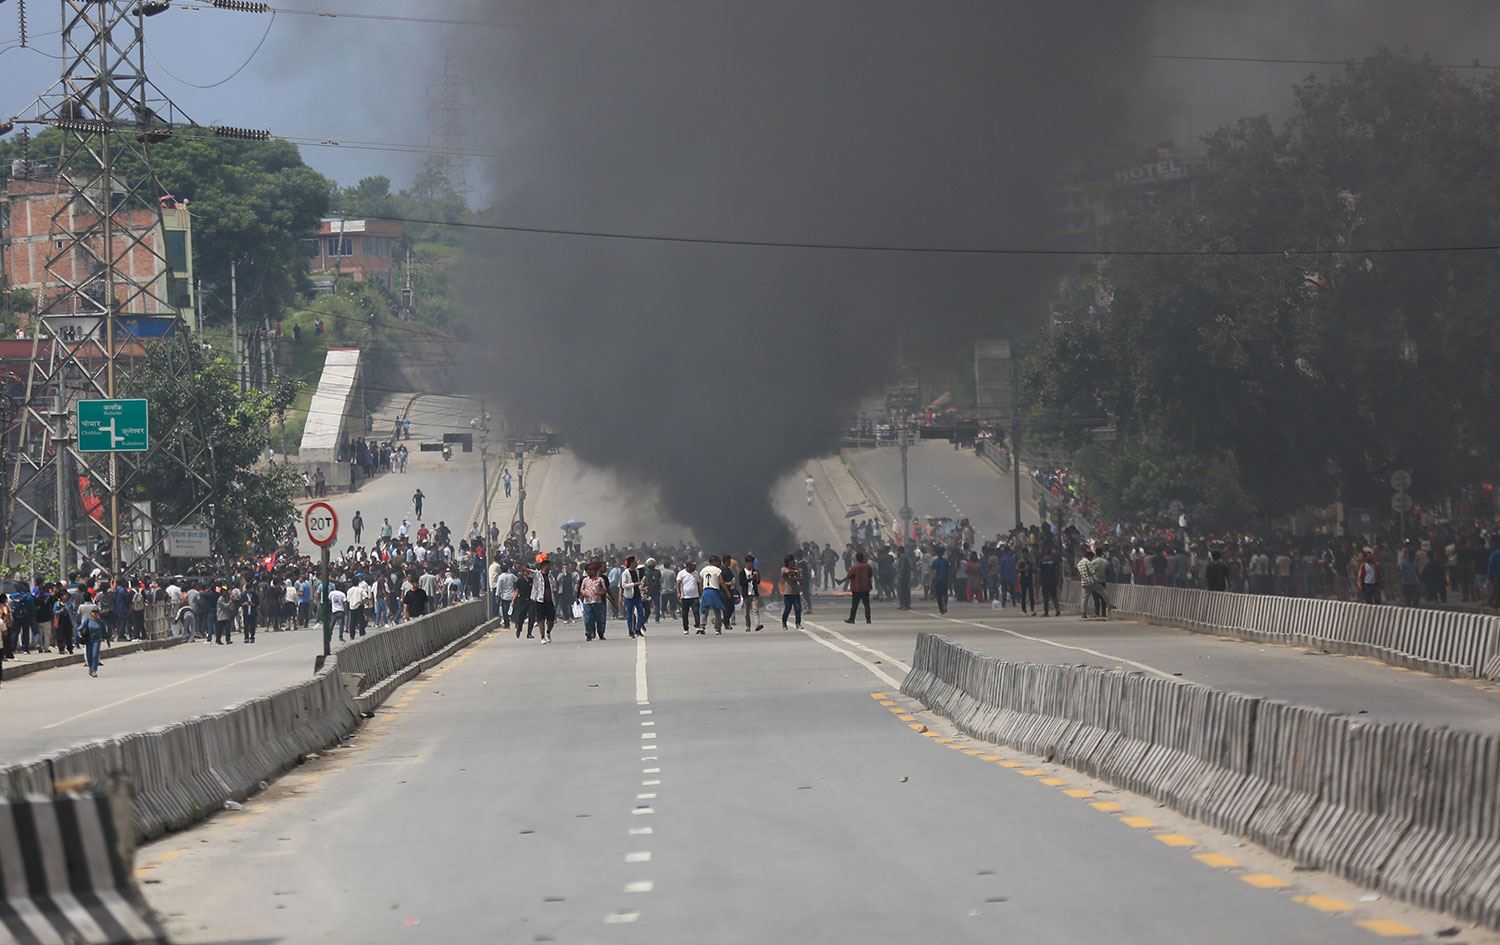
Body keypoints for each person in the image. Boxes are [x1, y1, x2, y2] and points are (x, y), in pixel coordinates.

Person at [530, 554, 558, 643]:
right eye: (548, 565)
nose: (549, 567)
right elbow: (526, 570)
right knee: (541, 619)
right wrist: (518, 565)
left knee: (551, 620)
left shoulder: (550, 576)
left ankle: (548, 632)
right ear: (543, 566)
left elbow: (554, 587)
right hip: (540, 600)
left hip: (550, 600)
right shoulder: (537, 575)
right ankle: (542, 637)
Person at [841, 551, 874, 624]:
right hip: (866, 587)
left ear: (856, 559)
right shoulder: (867, 566)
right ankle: (868, 619)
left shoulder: (855, 567)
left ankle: (852, 619)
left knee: (854, 605)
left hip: (857, 588)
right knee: (866, 604)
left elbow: (849, 575)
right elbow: (870, 575)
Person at [579, 561, 609, 642]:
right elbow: (581, 589)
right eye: (587, 570)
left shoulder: (600, 580)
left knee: (599, 620)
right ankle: (588, 633)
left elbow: (605, 589)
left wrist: (599, 593)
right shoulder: (585, 580)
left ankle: (601, 633)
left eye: (590, 570)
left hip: (597, 602)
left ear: (595, 571)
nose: (589, 572)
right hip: (587, 602)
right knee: (588, 619)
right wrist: (583, 593)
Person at [698, 556, 727, 633]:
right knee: (717, 610)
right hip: (714, 591)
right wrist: (727, 591)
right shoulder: (717, 570)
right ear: (714, 561)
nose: (719, 563)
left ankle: (702, 627)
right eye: (718, 562)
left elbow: (700, 582)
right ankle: (718, 629)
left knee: (704, 610)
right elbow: (721, 582)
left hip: (705, 591)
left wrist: (701, 592)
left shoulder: (703, 570)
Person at [620, 555, 646, 638]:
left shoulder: (637, 572)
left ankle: (638, 629)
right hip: (629, 596)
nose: (636, 563)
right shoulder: (625, 573)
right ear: (631, 563)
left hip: (637, 595)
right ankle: (630, 631)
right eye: (635, 562)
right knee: (629, 614)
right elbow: (623, 585)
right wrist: (634, 584)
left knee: (641, 612)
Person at [78, 604, 105, 678]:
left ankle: (94, 670)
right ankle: (90, 667)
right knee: (89, 655)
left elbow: (104, 632)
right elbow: (79, 629)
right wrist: (80, 635)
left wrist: (108, 641)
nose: (95, 614)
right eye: (93, 612)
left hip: (97, 640)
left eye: (96, 612)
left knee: (95, 654)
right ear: (91, 613)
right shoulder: (87, 621)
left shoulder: (101, 622)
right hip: (89, 640)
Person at [676, 560, 701, 634]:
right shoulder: (681, 573)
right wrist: (678, 592)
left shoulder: (695, 573)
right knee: (685, 614)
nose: (694, 567)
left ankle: (697, 626)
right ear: (688, 566)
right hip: (685, 597)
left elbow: (697, 583)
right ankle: (686, 628)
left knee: (696, 612)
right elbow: (678, 583)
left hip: (695, 596)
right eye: (692, 565)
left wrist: (700, 593)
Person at [741, 554, 764, 631]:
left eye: (752, 563)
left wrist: (756, 577)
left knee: (755, 610)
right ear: (746, 563)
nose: (751, 565)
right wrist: (750, 578)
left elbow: (758, 582)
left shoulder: (755, 571)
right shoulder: (742, 572)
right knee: (746, 612)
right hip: (746, 594)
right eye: (750, 563)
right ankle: (748, 626)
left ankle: (757, 625)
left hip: (754, 593)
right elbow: (741, 582)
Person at [780, 554, 803, 629]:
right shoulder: (783, 568)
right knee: (787, 609)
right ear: (788, 562)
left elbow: (801, 578)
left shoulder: (796, 569)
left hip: (796, 592)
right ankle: (784, 622)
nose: (793, 562)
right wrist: (795, 571)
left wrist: (796, 576)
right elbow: (786, 572)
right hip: (788, 593)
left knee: (798, 609)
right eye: (791, 561)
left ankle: (798, 623)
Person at [929, 548, 951, 615]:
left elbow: (933, 572)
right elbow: (949, 570)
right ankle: (945, 605)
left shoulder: (935, 562)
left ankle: (941, 609)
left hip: (937, 580)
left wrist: (931, 581)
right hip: (945, 579)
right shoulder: (946, 561)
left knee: (938, 595)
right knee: (945, 594)